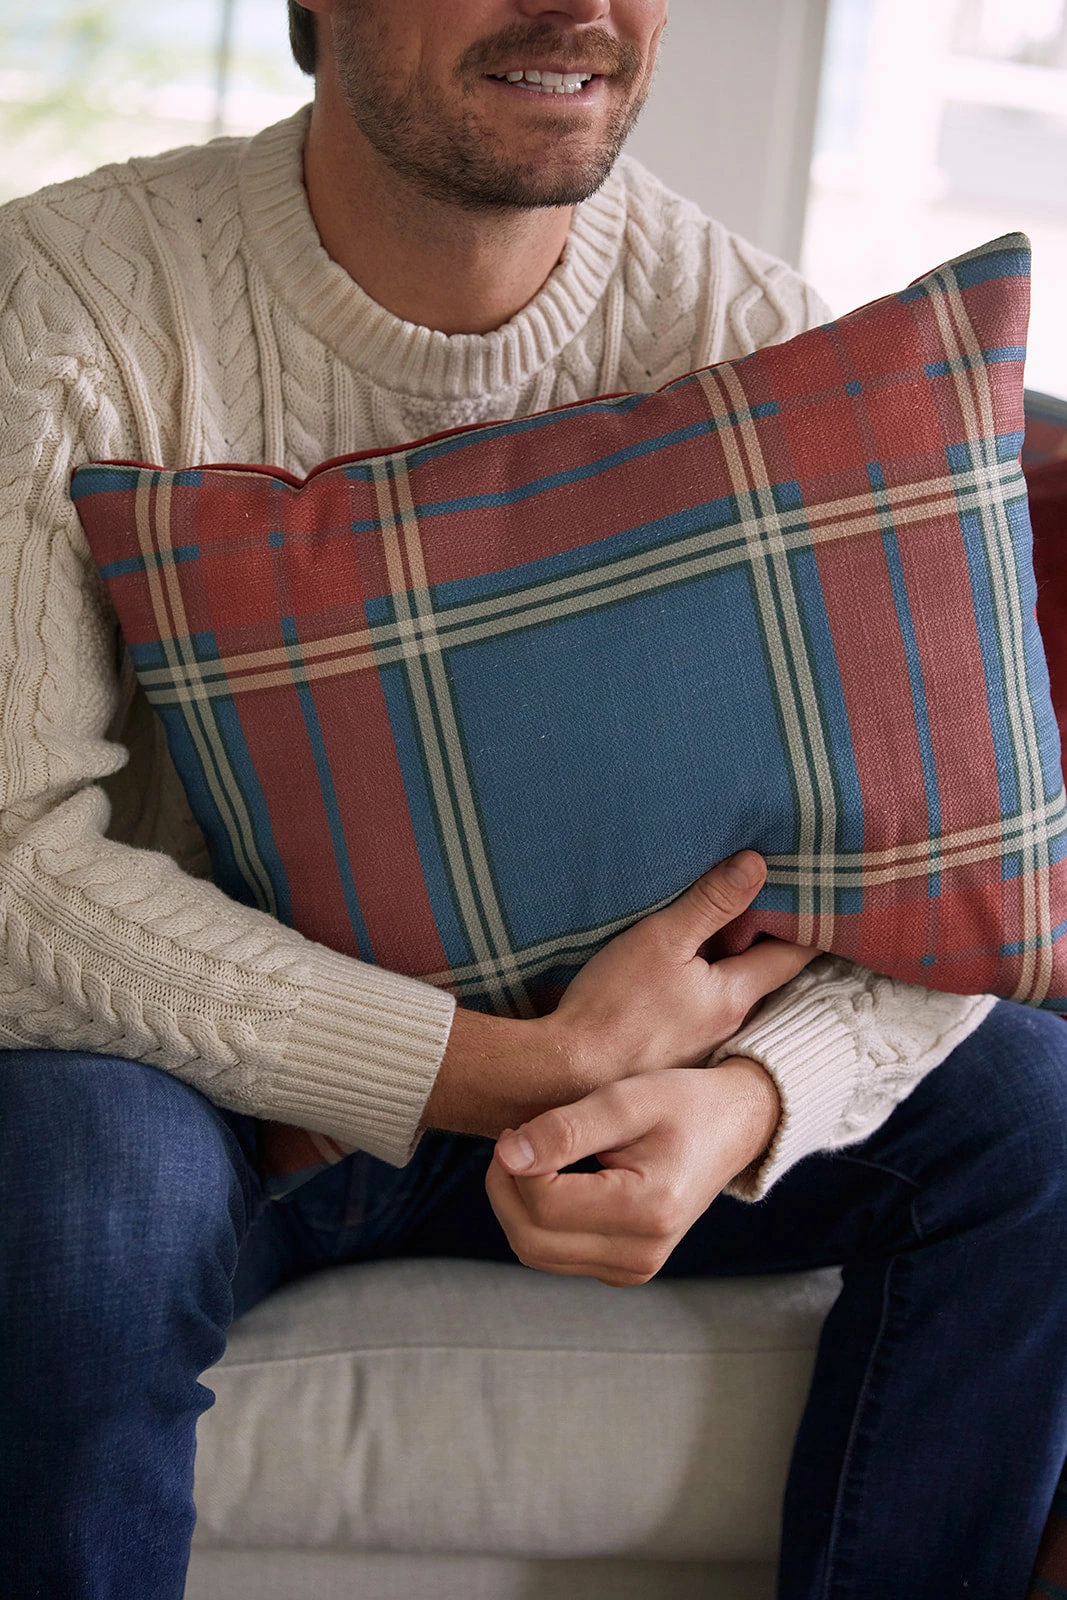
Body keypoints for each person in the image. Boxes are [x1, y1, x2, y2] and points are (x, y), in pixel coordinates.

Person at [0, 2, 1065, 1596]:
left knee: (1040, 1111)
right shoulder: (66, 297)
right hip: (199, 1087)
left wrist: (752, 1098)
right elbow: (13, 859)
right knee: (78, 1180)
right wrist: (503, 1070)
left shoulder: (754, 332)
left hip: (634, 1068)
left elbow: (933, 874)